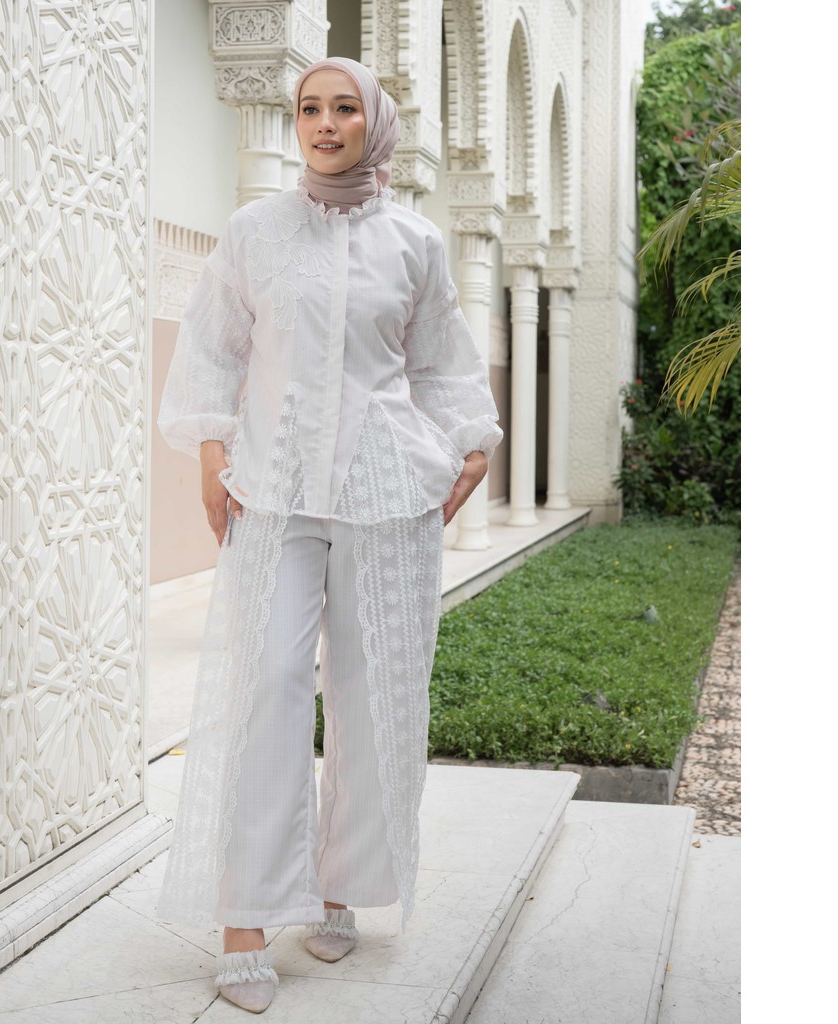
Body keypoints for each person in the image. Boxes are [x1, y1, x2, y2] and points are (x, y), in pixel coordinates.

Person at [156, 56, 503, 1014]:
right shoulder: (254, 232)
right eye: (309, 107)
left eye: (344, 108)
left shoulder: (416, 241)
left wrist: (472, 449)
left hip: (387, 493)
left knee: (369, 690)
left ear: (373, 124)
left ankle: (338, 890)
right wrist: (210, 454)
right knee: (266, 686)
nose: (323, 122)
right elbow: (212, 347)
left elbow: (440, 364)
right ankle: (245, 919)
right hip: (273, 489)